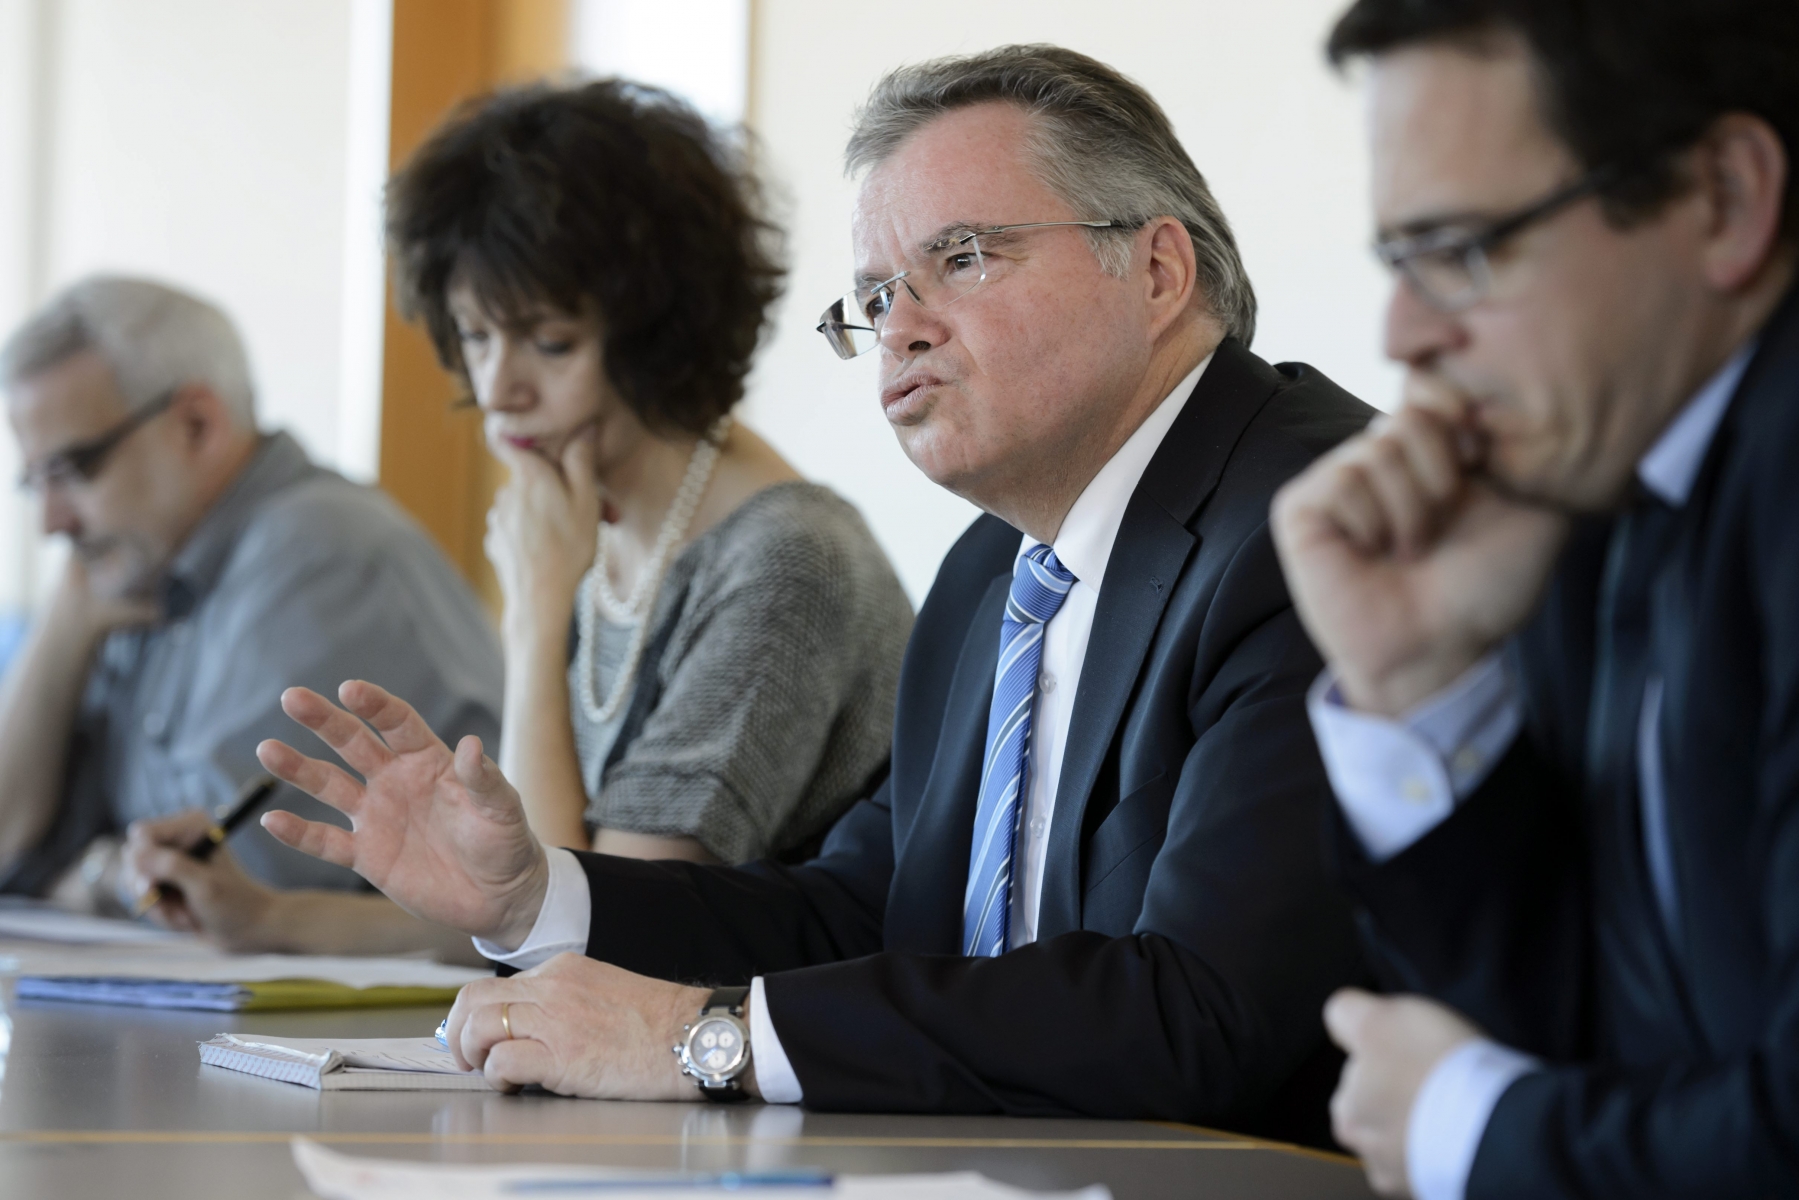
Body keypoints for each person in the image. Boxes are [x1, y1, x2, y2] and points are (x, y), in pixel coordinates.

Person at [254, 46, 1372, 1141]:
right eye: (878, 294)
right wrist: (531, 897)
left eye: (963, 258)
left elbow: (1200, 1010)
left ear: (1158, 270)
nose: (901, 327)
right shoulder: (994, 571)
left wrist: (709, 1039)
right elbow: (854, 910)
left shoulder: (1311, 525)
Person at [123, 82, 913, 956]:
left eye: (549, 342)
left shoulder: (783, 558)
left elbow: (585, 929)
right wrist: (271, 920)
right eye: (476, 335)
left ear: (657, 333)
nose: (499, 389)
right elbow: (512, 900)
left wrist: (537, 621)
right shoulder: (588, 519)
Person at [1269, 1, 1799, 1196]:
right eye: (1397, 264)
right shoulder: (1584, 488)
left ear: (1721, 197)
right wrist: (1412, 682)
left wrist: (1469, 1128)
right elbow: (1580, 1046)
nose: (1401, 334)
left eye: (1460, 249)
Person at [0, 275, 503, 905]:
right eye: (36, 482)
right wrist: (62, 627)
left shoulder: (318, 552)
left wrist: (94, 876)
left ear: (196, 425)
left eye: (73, 470)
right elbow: (8, 840)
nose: (52, 522)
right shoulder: (134, 571)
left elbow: (218, 880)